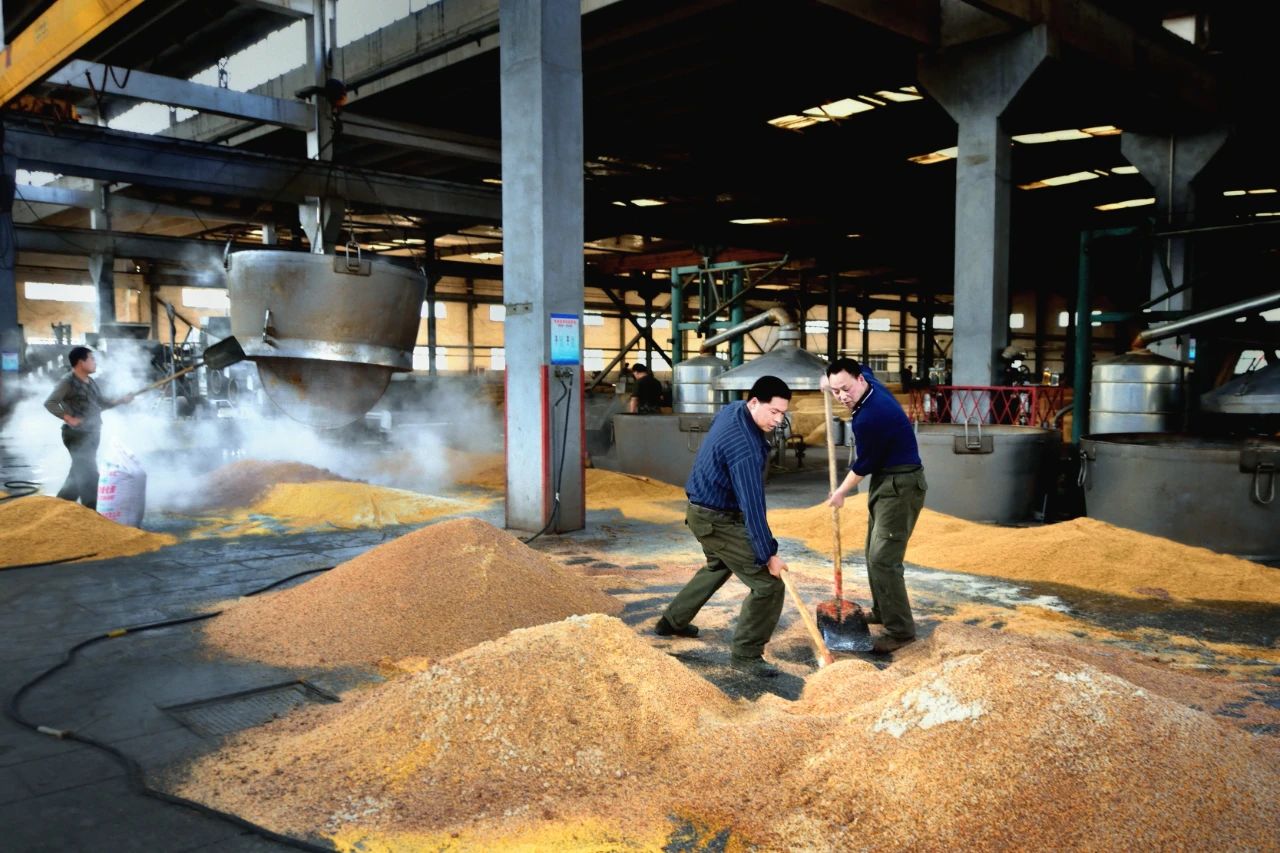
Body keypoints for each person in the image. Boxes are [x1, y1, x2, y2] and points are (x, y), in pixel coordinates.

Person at [654, 375, 792, 678]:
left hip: (701, 507)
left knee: (719, 564)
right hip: (715, 519)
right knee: (768, 586)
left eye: (783, 413)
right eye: (773, 412)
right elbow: (752, 506)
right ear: (754, 402)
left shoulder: (733, 409)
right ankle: (746, 655)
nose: (778, 420)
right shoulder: (746, 448)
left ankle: (672, 621)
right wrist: (768, 553)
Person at [823, 357, 926, 654]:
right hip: (887, 480)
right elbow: (863, 366)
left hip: (901, 485)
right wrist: (827, 381)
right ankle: (883, 610)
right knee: (873, 553)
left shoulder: (870, 416)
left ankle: (901, 631)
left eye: (845, 389)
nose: (842, 396)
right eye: (834, 391)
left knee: (883, 559)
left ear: (859, 381)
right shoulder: (869, 382)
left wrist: (840, 492)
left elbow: (863, 464)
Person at [44, 346, 135, 509]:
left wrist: (122, 400)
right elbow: (50, 402)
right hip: (77, 435)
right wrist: (69, 418)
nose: (95, 362)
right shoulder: (68, 381)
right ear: (81, 362)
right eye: (92, 359)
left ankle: (59, 507)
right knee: (89, 475)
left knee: (78, 474)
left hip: (92, 433)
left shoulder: (90, 381)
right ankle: (92, 512)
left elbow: (101, 403)